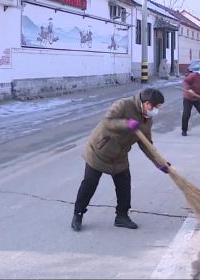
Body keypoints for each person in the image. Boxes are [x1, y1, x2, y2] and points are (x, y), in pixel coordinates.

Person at [72, 88, 169, 231]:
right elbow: (107, 122)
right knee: (89, 184)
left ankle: (122, 216)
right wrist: (126, 124)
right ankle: (78, 214)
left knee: (124, 186)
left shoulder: (147, 120)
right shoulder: (124, 105)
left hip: (119, 156)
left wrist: (159, 163)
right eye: (155, 107)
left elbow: (146, 145)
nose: (156, 111)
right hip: (99, 151)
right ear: (147, 103)